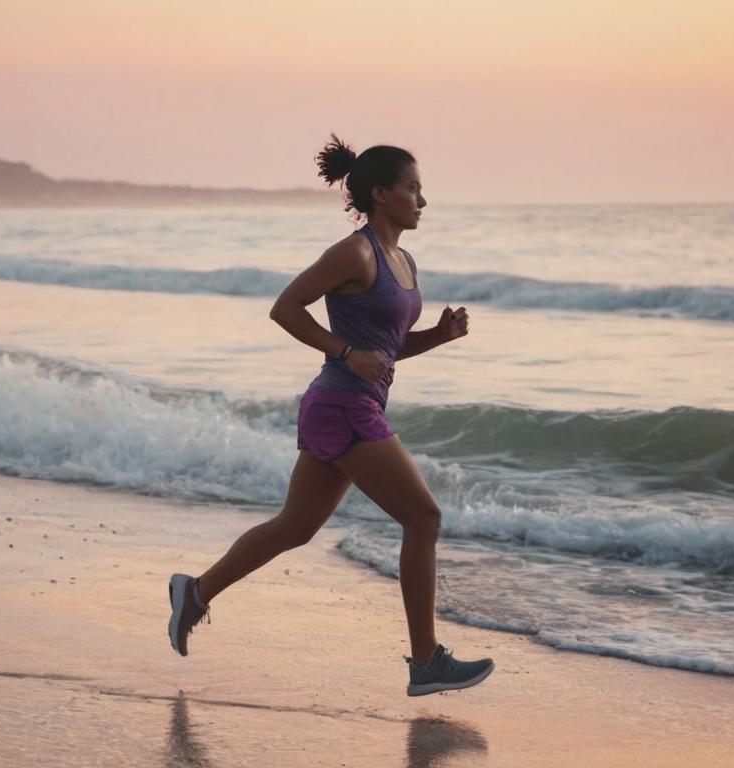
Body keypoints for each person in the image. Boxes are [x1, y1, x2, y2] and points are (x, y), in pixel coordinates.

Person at [167, 134, 493, 696]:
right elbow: (284, 307)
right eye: (413, 189)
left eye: (422, 189)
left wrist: (437, 337)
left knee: (295, 527)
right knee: (424, 519)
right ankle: (425, 662)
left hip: (347, 402)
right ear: (382, 193)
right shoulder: (356, 252)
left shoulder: (403, 259)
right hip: (343, 405)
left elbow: (382, 351)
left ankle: (194, 592)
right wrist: (342, 351)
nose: (422, 200)